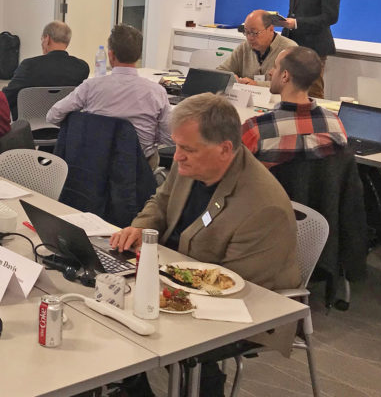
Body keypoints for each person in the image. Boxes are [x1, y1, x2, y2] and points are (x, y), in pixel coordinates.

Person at [110, 93, 300, 397]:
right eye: (177, 145)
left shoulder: (263, 208)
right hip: (177, 273)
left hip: (246, 308)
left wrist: (156, 284)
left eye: (187, 149)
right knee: (110, 303)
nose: (178, 155)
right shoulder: (191, 163)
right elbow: (161, 201)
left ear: (225, 149)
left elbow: (232, 292)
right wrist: (139, 227)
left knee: (133, 316)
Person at [46, 24, 171, 167]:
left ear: (110, 55)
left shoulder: (90, 86)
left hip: (96, 163)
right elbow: (169, 137)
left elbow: (53, 115)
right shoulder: (157, 92)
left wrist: (82, 127)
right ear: (138, 56)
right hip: (139, 165)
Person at [241, 47, 347, 168]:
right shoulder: (336, 126)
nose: (270, 72)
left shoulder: (255, 129)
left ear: (285, 75)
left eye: (275, 67)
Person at [282, 0, 340, 99]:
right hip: (292, 44)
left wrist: (297, 23)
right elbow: (293, 10)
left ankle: (316, 122)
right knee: (289, 87)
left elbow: (330, 17)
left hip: (314, 46)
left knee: (312, 91)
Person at [2, 21, 89, 120]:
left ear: (47, 39)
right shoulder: (82, 67)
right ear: (67, 43)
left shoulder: (29, 66)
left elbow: (7, 97)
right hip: (64, 125)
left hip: (30, 127)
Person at [217, 9, 296, 85]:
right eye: (246, 32)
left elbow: (291, 84)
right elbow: (220, 72)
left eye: (254, 33)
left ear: (271, 29)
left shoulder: (289, 49)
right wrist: (231, 78)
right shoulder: (244, 48)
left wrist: (257, 84)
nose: (250, 37)